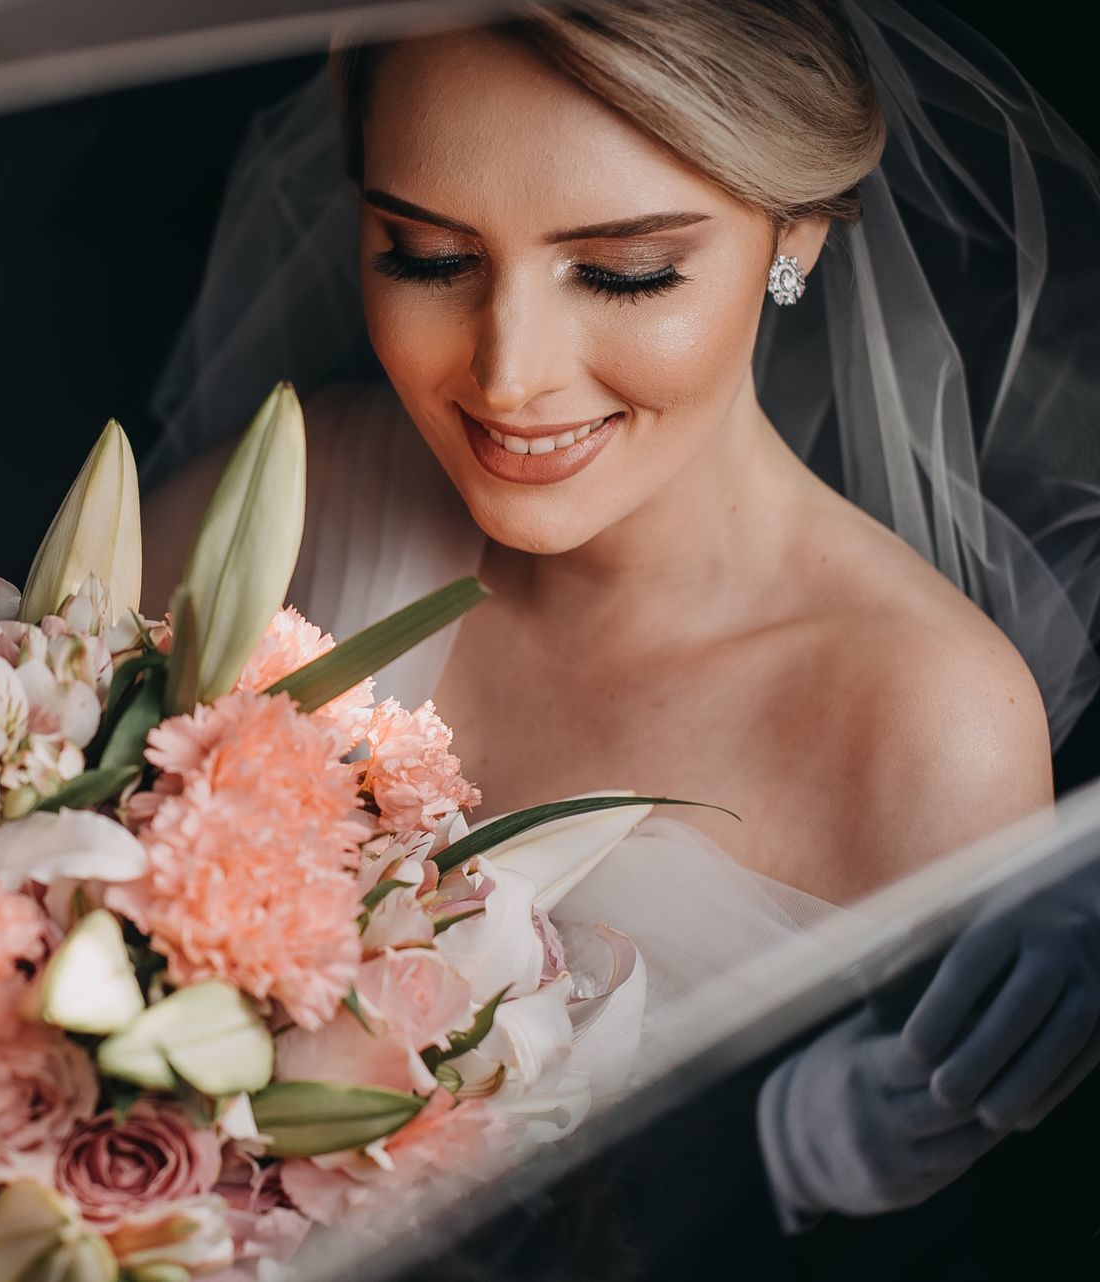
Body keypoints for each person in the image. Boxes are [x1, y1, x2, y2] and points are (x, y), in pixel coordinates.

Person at [138, 0, 1100, 1240]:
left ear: (798, 233)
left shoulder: (928, 733)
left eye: (623, 272)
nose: (509, 374)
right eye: (427, 255)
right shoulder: (281, 499)